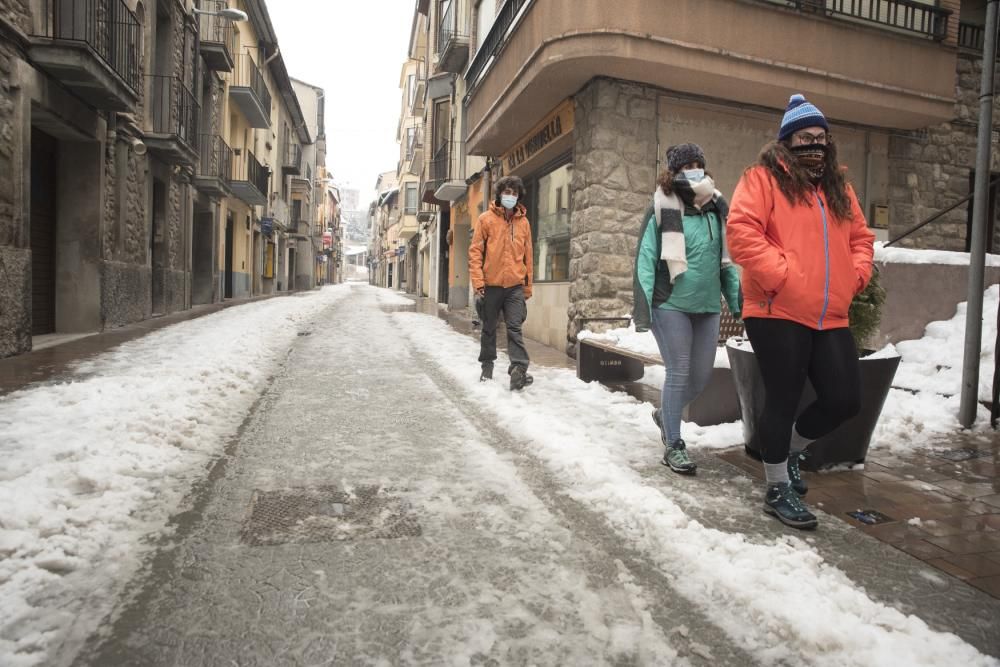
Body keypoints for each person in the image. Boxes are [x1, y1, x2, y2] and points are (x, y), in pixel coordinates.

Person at [727, 94, 875, 529]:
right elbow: (741, 232)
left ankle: (790, 451)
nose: (816, 145)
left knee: (845, 399)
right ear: (787, 141)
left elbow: (861, 240)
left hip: (830, 313)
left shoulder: (838, 189)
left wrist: (855, 276)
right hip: (775, 309)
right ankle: (776, 488)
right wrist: (784, 276)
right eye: (806, 137)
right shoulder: (761, 179)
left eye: (822, 138)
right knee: (783, 398)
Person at [633, 143, 742, 475]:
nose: (693, 170)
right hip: (671, 304)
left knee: (701, 377)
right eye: (685, 166)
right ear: (673, 172)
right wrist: (642, 306)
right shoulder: (660, 207)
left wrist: (737, 302)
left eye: (698, 164)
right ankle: (674, 445)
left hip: (707, 306)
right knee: (679, 371)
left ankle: (665, 414)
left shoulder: (716, 208)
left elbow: (726, 263)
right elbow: (645, 259)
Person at [469, 175, 534, 391]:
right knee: (489, 328)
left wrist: (527, 286)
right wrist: (478, 282)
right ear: (500, 194)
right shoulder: (485, 219)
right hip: (491, 284)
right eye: (507, 192)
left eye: (514, 193)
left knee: (515, 328)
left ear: (519, 197)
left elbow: (528, 256)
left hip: (515, 286)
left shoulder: (523, 222)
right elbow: (476, 252)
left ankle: (519, 369)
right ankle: (487, 367)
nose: (510, 196)